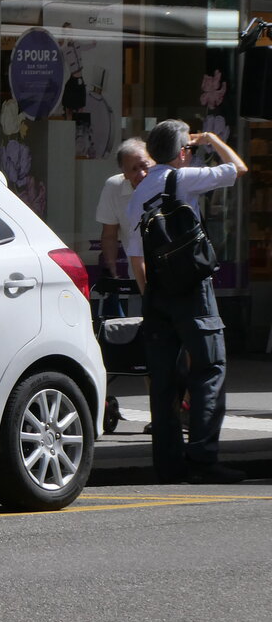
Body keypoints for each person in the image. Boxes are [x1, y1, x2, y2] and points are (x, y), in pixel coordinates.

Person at [124, 120, 248, 484]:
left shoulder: (138, 193)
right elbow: (237, 169)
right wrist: (210, 139)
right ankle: (203, 460)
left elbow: (137, 259)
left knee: (163, 383)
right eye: (189, 149)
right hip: (193, 290)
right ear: (182, 152)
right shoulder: (184, 178)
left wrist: (152, 302)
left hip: (158, 296)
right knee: (209, 370)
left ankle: (168, 464)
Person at [95, 137, 153, 306]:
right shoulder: (114, 186)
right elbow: (109, 234)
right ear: (124, 173)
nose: (141, 173)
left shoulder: (166, 181)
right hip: (138, 276)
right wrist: (113, 270)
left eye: (144, 166)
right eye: (134, 169)